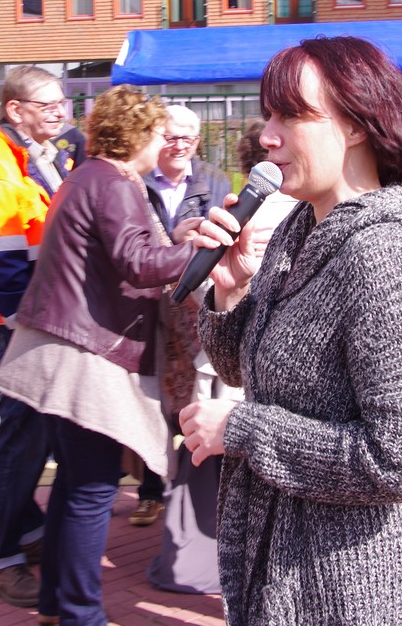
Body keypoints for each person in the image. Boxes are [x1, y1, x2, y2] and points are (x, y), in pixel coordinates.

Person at [179, 36, 402, 626]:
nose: (267, 136)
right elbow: (245, 369)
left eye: (291, 116)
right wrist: (230, 290)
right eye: (268, 115)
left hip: (349, 587)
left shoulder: (382, 256)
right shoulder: (299, 229)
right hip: (286, 570)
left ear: (355, 125)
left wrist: (243, 430)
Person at [0, 85, 197, 626]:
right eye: (159, 133)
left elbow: (122, 254)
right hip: (85, 354)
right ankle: (81, 614)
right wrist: (197, 250)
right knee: (92, 489)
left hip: (61, 347)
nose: (165, 144)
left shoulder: (88, 176)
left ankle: (56, 605)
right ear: (139, 134)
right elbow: (137, 262)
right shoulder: (114, 182)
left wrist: (175, 240)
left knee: (74, 483)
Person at [0, 65, 71, 608]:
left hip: (34, 318)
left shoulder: (38, 157)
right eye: (47, 105)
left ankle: (25, 529)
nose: (60, 112)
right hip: (20, 323)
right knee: (23, 437)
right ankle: (1, 558)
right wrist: (29, 325)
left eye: (61, 102)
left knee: (35, 434)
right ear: (15, 110)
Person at [140, 105, 233, 591]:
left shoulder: (214, 180)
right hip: (153, 313)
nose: (180, 145)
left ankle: (186, 492)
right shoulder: (140, 181)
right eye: (172, 137)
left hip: (197, 311)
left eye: (189, 138)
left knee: (193, 398)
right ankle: (150, 488)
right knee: (158, 400)